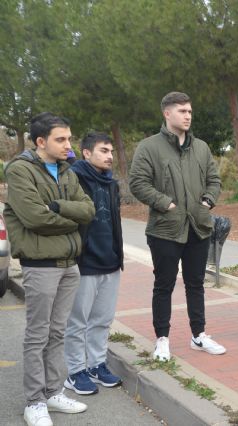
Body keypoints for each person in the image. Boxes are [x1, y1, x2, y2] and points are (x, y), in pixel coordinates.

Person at [4, 113, 95, 426]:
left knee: (58, 332)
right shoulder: (20, 170)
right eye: (61, 139)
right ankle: (35, 402)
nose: (68, 145)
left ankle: (54, 391)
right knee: (38, 334)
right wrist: (73, 219)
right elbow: (34, 218)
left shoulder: (68, 170)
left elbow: (89, 209)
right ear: (41, 142)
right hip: (40, 265)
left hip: (70, 264)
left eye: (69, 138)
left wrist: (58, 208)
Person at [129, 91, 224, 361]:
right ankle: (162, 339)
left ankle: (199, 335)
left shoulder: (201, 148)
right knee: (164, 286)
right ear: (167, 113)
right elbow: (138, 183)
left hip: (198, 226)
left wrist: (207, 201)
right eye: (182, 111)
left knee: (196, 284)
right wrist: (165, 203)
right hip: (165, 230)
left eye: (190, 111)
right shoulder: (149, 147)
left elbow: (214, 180)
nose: (188, 116)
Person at [63, 132, 124, 395]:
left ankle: (97, 365)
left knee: (102, 319)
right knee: (77, 321)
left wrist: (118, 255)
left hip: (110, 261)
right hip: (84, 262)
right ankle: (75, 371)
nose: (110, 156)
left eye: (111, 151)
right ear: (86, 153)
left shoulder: (111, 183)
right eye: (103, 150)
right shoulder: (73, 179)